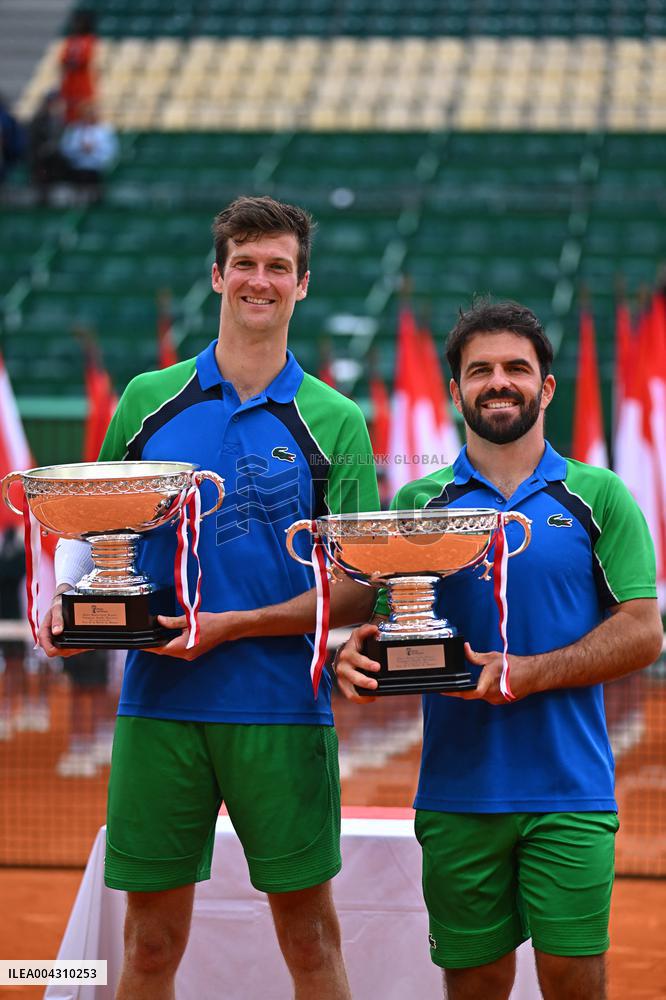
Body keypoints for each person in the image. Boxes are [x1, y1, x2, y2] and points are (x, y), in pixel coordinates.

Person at [40, 196, 380, 1000]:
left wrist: (231, 627)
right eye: (246, 265)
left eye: (278, 268)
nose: (260, 281)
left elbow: (360, 586)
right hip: (159, 706)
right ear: (218, 273)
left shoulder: (337, 421)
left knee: (309, 937)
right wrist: (65, 600)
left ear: (302, 284)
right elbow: (88, 521)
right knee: (149, 943)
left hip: (282, 712)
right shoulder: (147, 398)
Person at [334, 298, 663, 1000]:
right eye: (479, 370)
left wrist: (527, 673)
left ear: (546, 386)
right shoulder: (418, 504)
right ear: (456, 390)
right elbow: (397, 625)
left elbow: (643, 629)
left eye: (517, 367)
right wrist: (355, 654)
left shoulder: (599, 496)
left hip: (569, 793)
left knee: (575, 982)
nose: (498, 381)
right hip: (457, 795)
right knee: (475, 985)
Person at [59, 101, 117, 201]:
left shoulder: (105, 130)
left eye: (91, 113)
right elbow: (66, 149)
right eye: (86, 113)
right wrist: (80, 149)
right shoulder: (74, 129)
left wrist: (94, 151)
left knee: (95, 193)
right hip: (78, 169)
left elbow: (110, 151)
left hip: (97, 169)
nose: (88, 116)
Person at [59, 9, 97, 123]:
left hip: (83, 86)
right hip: (70, 86)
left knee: (84, 115)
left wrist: (72, 63)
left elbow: (84, 60)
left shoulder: (89, 40)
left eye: (79, 22)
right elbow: (63, 59)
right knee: (70, 117)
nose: (76, 25)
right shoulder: (71, 40)